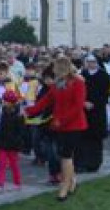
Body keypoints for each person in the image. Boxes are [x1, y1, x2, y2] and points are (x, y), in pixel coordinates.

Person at [25, 57, 87, 202]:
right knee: (65, 156)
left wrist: (62, 120)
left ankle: (64, 186)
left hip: (74, 125)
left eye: (56, 69)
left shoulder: (78, 83)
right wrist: (29, 111)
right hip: (60, 125)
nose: (54, 71)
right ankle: (71, 182)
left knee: (65, 156)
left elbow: (77, 107)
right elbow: (45, 101)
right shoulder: (57, 85)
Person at [76, 54, 110, 171]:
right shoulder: (81, 75)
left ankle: (94, 164)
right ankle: (82, 163)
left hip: (97, 112)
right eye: (88, 62)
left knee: (95, 140)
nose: (91, 64)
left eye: (93, 62)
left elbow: (105, 94)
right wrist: (83, 102)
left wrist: (94, 104)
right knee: (82, 139)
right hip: (84, 111)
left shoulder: (104, 76)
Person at [0, 90, 25, 193]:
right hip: (3, 143)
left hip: (13, 145)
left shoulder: (19, 116)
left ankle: (17, 183)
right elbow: (0, 127)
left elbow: (20, 132)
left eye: (5, 101)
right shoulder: (3, 112)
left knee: (14, 164)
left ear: (11, 102)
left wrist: (17, 144)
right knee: (1, 165)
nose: (4, 102)